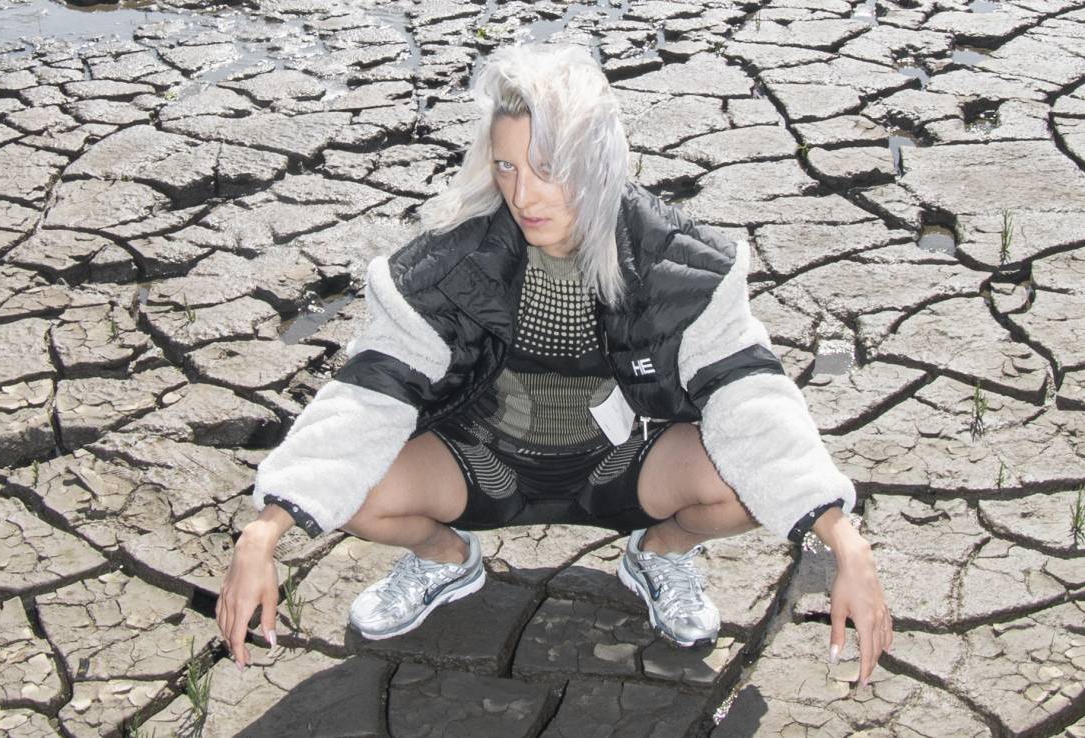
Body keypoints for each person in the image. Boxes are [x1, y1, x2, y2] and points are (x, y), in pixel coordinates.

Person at [216, 43, 892, 686]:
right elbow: (371, 391)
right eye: (507, 167)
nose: (524, 195)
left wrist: (842, 538)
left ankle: (660, 553)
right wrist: (266, 528)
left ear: (597, 162)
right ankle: (445, 559)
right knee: (349, 489)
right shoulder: (450, 261)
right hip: (482, 462)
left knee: (750, 486)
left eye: (547, 167)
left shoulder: (678, 262)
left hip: (621, 465)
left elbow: (750, 394)